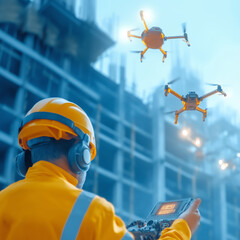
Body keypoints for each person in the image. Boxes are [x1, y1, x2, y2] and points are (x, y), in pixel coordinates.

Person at [0, 97, 201, 240]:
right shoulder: (92, 212)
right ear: (81, 155)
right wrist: (182, 229)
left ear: (26, 157)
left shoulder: (3, 201)